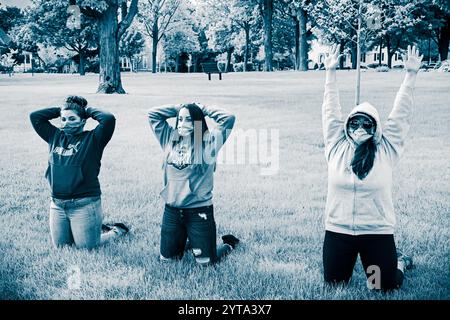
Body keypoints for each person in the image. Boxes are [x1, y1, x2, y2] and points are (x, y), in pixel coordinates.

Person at [321, 45, 421, 290]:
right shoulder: (336, 145)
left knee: (379, 286)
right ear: (347, 125)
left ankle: (399, 263)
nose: (359, 128)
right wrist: (330, 72)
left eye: (367, 124)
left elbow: (401, 115)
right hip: (339, 230)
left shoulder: (387, 149)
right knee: (335, 284)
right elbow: (330, 110)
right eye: (355, 123)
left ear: (375, 127)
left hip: (375, 232)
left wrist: (410, 75)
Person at [30, 96, 129, 249]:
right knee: (63, 248)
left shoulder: (93, 139)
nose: (66, 123)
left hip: (84, 204)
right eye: (63, 119)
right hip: (57, 204)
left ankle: (116, 231)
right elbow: (35, 117)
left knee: (87, 248)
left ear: (82, 121)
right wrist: (62, 109)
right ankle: (92, 226)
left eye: (72, 118)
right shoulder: (54, 136)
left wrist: (85, 110)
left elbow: (108, 119)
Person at [147, 102, 240, 265]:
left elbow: (228, 118)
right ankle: (189, 239)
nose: (183, 124)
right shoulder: (170, 138)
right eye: (180, 120)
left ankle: (229, 244)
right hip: (172, 212)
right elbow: (153, 114)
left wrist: (200, 108)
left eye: (189, 120)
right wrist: (181, 107)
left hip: (199, 212)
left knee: (206, 263)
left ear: (197, 121)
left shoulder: (208, 142)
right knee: (167, 261)